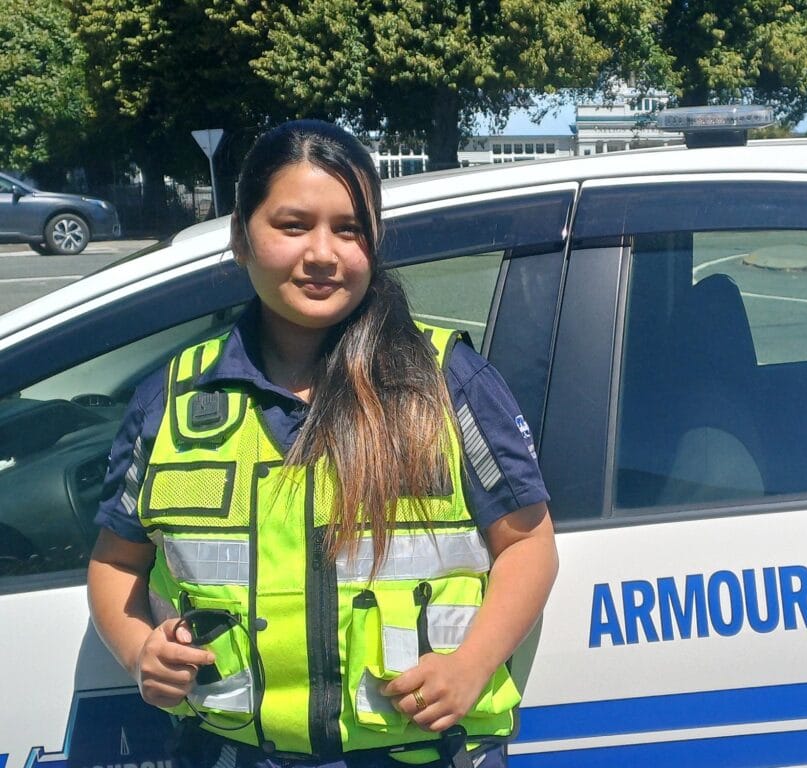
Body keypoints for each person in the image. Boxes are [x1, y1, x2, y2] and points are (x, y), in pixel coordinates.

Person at [87, 119, 558, 768]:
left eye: (349, 229)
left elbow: (528, 544)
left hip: (421, 752)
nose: (322, 253)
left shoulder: (447, 383)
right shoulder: (169, 401)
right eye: (293, 225)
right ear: (241, 236)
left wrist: (472, 665)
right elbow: (116, 562)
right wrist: (139, 650)